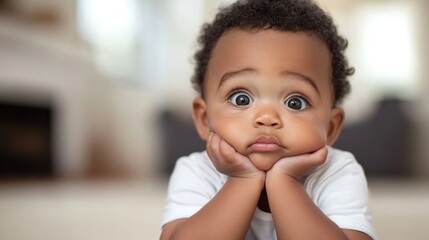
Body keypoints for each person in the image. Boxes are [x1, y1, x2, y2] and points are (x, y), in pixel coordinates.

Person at [160, 0, 376, 239]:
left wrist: (285, 183)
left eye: (296, 102)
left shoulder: (337, 171)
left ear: (331, 127)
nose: (267, 118)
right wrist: (243, 180)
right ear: (204, 118)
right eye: (241, 99)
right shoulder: (196, 172)